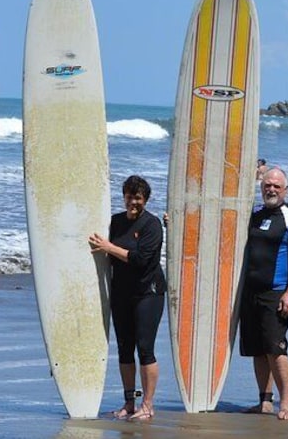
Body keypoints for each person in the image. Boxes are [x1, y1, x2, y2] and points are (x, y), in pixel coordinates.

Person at [88, 175, 165, 421]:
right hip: (121, 292)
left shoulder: (152, 225)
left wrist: (109, 247)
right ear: (124, 197)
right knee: (123, 350)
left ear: (146, 200)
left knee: (145, 349)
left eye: (138, 198)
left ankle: (148, 404)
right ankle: (129, 402)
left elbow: (141, 259)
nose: (133, 202)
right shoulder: (116, 222)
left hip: (148, 293)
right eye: (130, 197)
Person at [239, 167, 288, 421]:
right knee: (258, 350)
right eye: (267, 185)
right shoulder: (254, 214)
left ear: (285, 190)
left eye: (276, 186)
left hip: (276, 293)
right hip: (250, 292)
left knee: (276, 348)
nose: (271, 189)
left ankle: (286, 402)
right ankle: (265, 401)